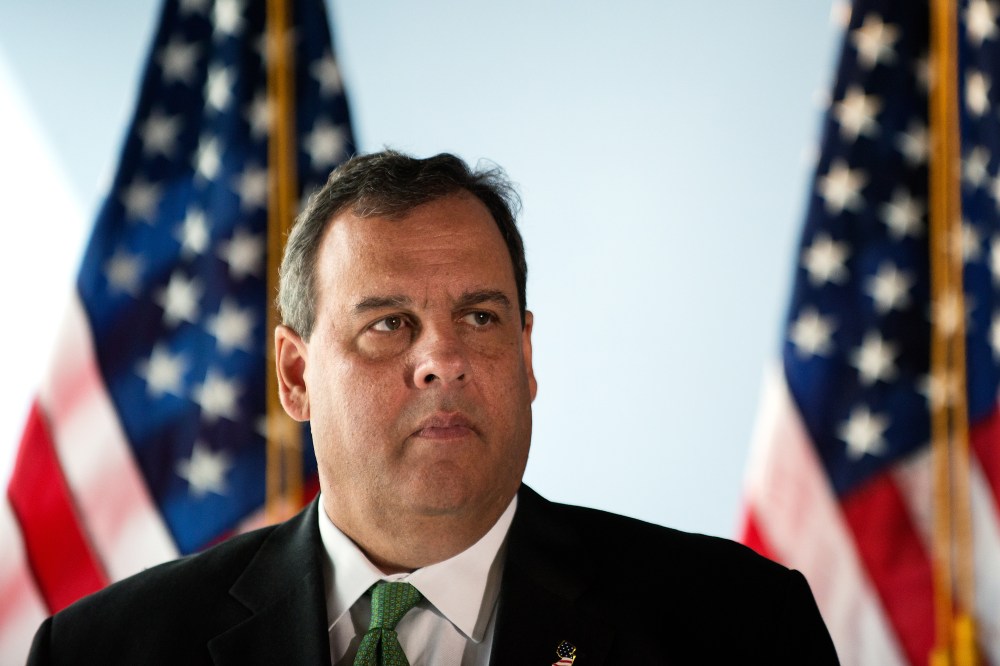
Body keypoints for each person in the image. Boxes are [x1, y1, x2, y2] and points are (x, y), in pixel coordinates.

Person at [28, 151, 839, 664]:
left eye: (480, 319)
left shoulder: (739, 628)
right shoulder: (104, 651)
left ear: (526, 357)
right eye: (389, 325)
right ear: (296, 375)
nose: (443, 360)